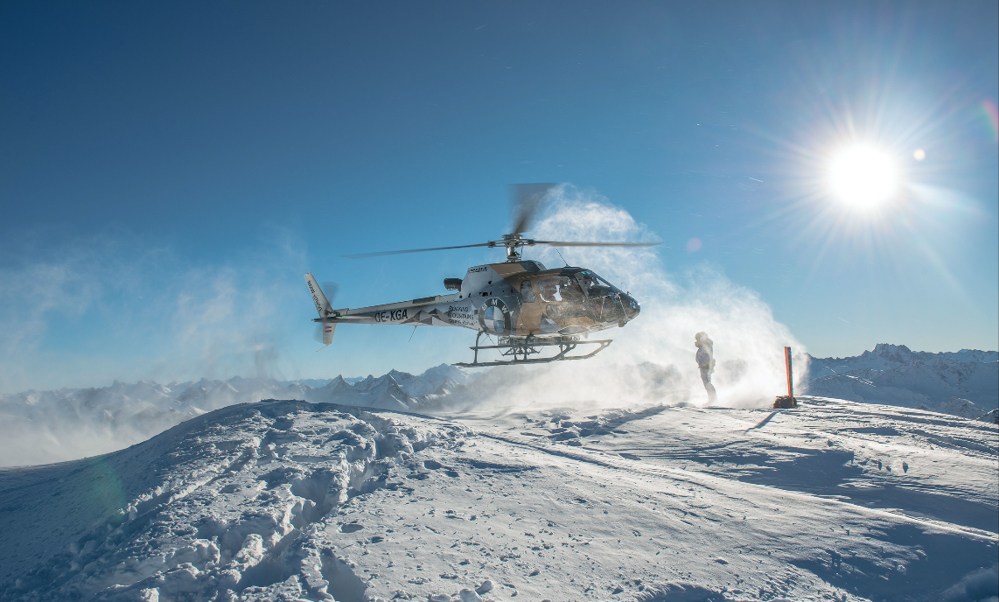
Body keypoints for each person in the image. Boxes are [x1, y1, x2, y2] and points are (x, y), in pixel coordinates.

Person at [695, 332, 717, 403]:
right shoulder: (703, 346)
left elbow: (708, 356)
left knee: (707, 382)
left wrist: (706, 364)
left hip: (705, 366)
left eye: (698, 338)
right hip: (704, 366)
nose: (697, 340)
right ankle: (711, 399)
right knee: (706, 382)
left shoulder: (706, 345)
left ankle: (712, 399)